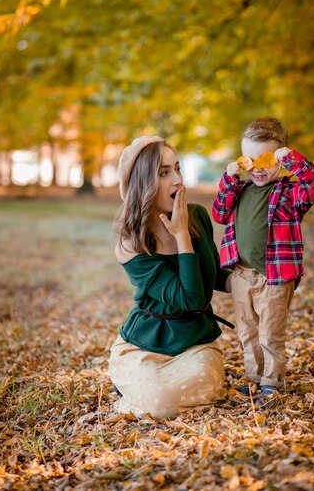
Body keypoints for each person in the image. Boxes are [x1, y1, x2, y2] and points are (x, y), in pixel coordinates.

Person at [108, 135, 233, 418]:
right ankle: (136, 392)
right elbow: (190, 299)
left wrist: (251, 283)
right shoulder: (131, 245)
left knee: (210, 385)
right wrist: (181, 236)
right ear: (143, 184)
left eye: (177, 169)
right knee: (161, 404)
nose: (177, 180)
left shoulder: (198, 215)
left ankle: (144, 393)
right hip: (144, 346)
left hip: (196, 343)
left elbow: (211, 276)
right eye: (164, 173)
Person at [212, 117, 314, 403]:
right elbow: (220, 214)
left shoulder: (288, 192)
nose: (257, 168)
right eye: (249, 160)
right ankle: (254, 378)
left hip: (274, 276)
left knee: (269, 334)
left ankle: (271, 382)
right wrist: (229, 180)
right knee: (247, 332)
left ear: (278, 158)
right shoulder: (241, 190)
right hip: (241, 275)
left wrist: (293, 159)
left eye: (265, 159)